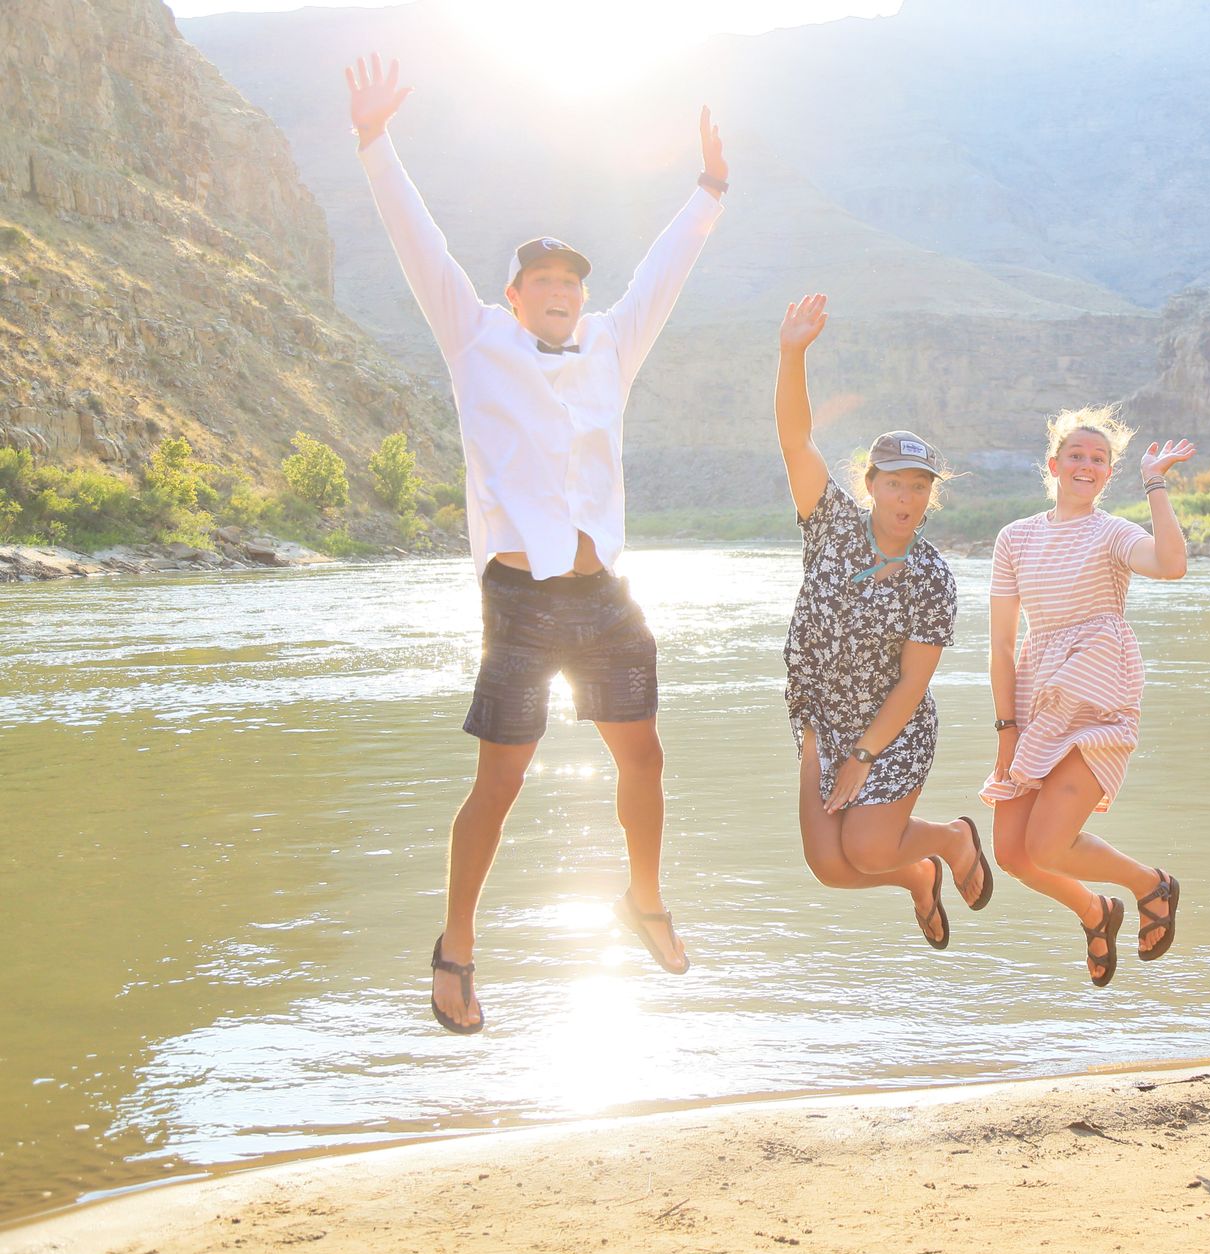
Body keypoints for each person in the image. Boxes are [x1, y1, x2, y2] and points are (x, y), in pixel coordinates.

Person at [345, 54, 728, 1033]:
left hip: (606, 599)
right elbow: (417, 243)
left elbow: (662, 276)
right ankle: (457, 945)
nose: (559, 289)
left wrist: (709, 192)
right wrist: (375, 143)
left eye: (569, 279)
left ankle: (641, 898)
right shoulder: (474, 337)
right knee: (501, 782)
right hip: (518, 604)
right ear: (514, 295)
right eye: (542, 279)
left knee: (644, 758)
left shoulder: (611, 342)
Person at [775, 294, 993, 948]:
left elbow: (911, 686)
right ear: (871, 484)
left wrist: (863, 758)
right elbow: (795, 440)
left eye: (919, 486)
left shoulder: (932, 577)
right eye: (895, 483)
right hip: (820, 714)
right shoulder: (832, 527)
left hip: (892, 728)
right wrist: (793, 353)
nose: (906, 497)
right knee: (829, 867)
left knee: (867, 849)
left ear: (931, 494)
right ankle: (919, 877)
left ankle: (954, 840)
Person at [982, 406, 1194, 987]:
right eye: (1076, 455)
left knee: (1048, 845)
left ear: (1108, 475)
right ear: (1053, 464)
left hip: (1098, 688)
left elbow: (1171, 565)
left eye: (1098, 459)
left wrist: (1156, 484)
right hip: (1034, 693)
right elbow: (1002, 644)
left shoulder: (1113, 533)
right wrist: (1007, 727)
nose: (1086, 465)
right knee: (1013, 853)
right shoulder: (1015, 538)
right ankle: (1096, 912)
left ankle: (1150, 883)